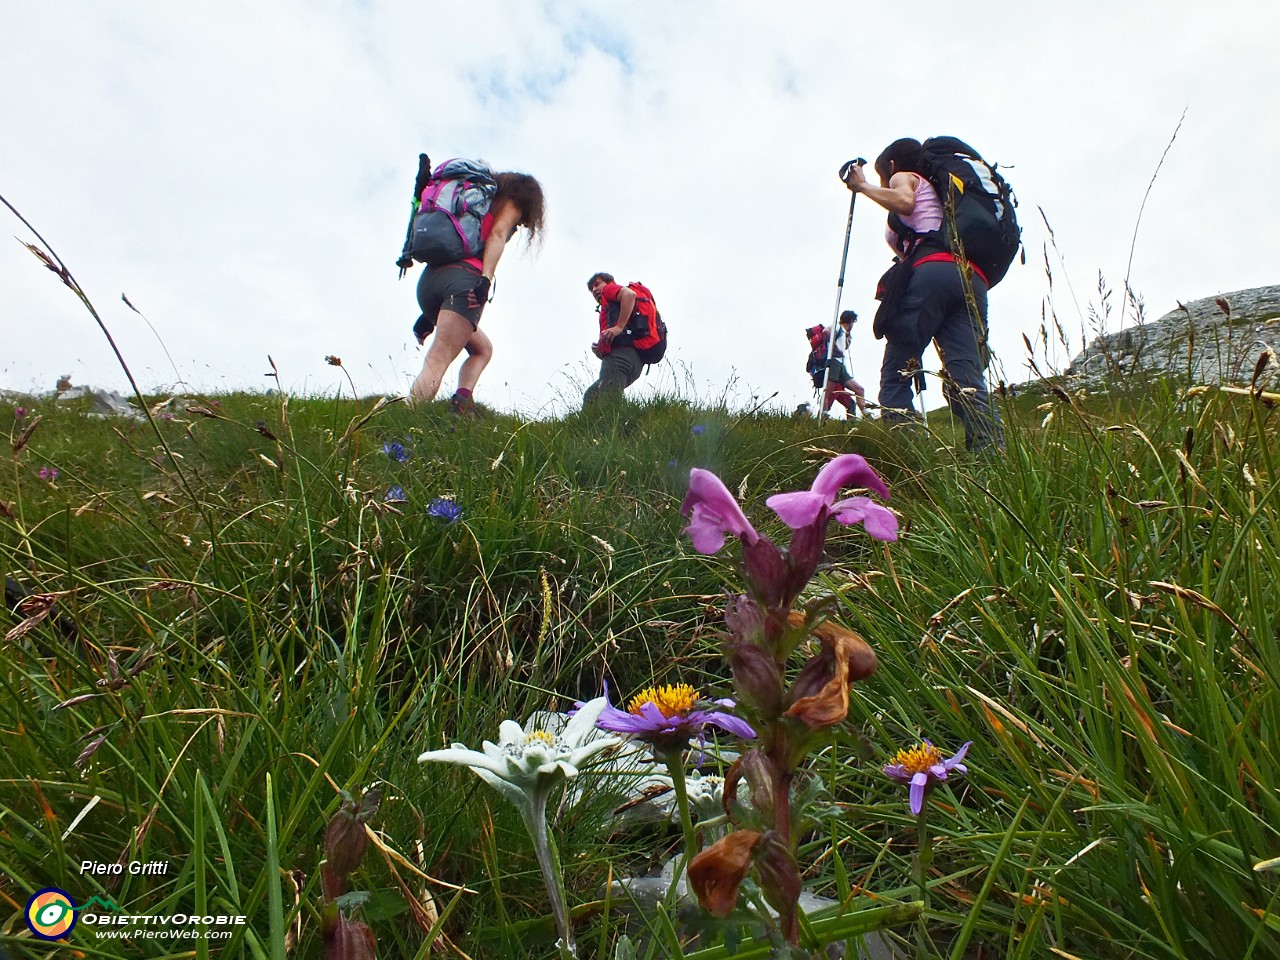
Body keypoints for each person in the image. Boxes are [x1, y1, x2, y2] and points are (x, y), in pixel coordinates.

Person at [844, 139, 1003, 451]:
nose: (884, 184)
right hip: (971, 278)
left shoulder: (903, 177)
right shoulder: (947, 194)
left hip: (932, 273)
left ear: (891, 166)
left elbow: (903, 202)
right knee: (967, 377)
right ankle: (990, 460)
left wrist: (861, 186)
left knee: (897, 372)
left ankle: (908, 458)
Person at [409, 171, 546, 413]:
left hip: (429, 282)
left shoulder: (473, 204)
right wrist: (486, 279)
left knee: (482, 349)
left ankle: (461, 404)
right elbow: (497, 234)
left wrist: (428, 315)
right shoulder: (510, 203)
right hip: (463, 282)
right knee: (438, 359)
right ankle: (407, 415)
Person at [583, 272, 645, 406]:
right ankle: (588, 426)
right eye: (591, 289)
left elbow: (629, 295)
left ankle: (618, 426)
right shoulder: (612, 307)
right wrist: (601, 350)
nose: (594, 290)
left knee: (608, 404)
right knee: (592, 396)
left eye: (597, 284)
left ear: (608, 282)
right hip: (635, 360)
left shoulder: (609, 289)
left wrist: (619, 327)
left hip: (620, 356)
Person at [822, 310, 868, 417]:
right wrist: (835, 348)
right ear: (851, 321)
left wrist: (847, 339)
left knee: (859, 390)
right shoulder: (837, 327)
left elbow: (844, 347)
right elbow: (826, 332)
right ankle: (823, 416)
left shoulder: (843, 332)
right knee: (828, 392)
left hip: (841, 365)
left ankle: (867, 414)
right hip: (834, 363)